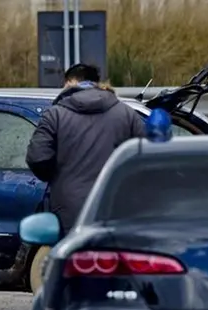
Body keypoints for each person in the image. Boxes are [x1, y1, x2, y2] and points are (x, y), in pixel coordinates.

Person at [25, 63, 146, 236]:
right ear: (97, 83)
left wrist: (58, 178)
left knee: (75, 257)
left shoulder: (55, 115)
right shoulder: (127, 113)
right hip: (116, 202)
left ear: (70, 81)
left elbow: (37, 158)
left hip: (69, 204)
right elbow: (144, 157)